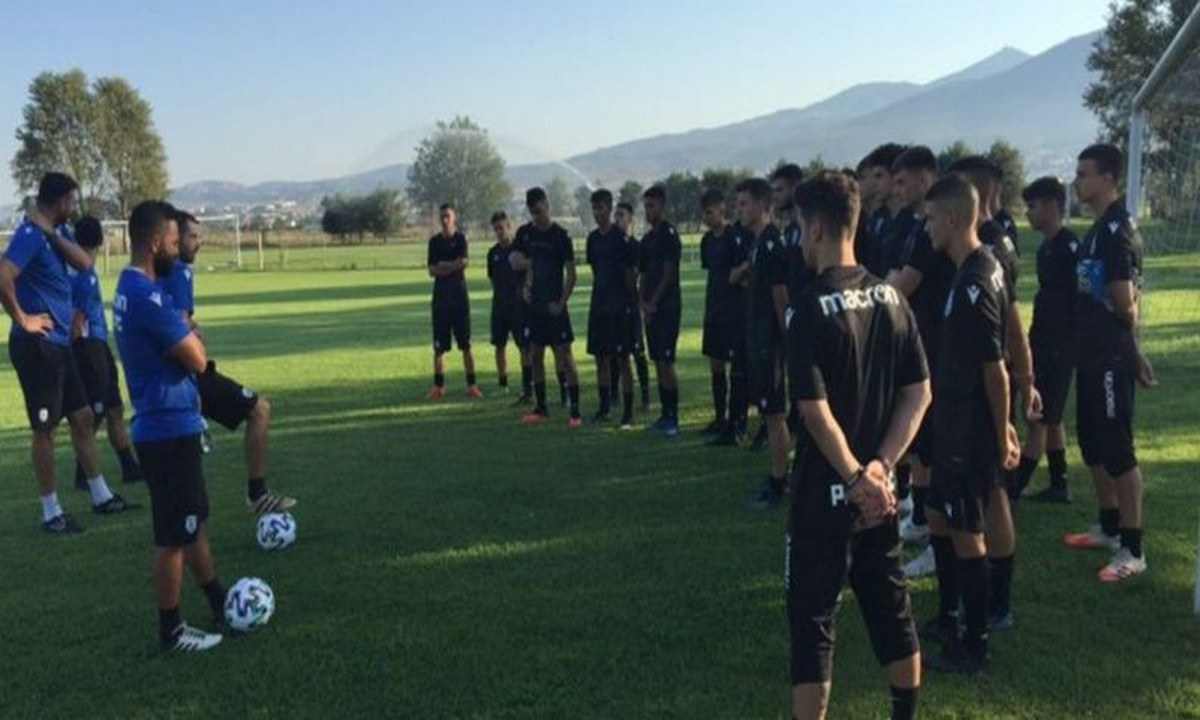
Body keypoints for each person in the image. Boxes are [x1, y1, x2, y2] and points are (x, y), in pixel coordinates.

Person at [787, 169, 930, 720]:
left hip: (827, 493)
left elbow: (813, 410)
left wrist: (852, 476)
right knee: (891, 608)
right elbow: (919, 392)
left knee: (813, 622)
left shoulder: (807, 306)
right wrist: (881, 467)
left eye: (801, 228)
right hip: (880, 495)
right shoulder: (893, 297)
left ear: (817, 228)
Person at [115, 199, 226, 652]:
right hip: (166, 429)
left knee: (190, 524)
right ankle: (172, 630)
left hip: (168, 424)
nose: (180, 250)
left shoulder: (131, 286)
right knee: (172, 536)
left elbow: (187, 344)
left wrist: (187, 339)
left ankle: (219, 601)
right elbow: (197, 358)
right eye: (175, 242)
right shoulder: (146, 297)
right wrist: (191, 340)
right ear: (156, 242)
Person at [921, 174, 1020, 673]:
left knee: (965, 529)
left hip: (969, 426)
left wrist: (1001, 432)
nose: (926, 228)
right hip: (953, 418)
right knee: (937, 515)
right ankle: (948, 615)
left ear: (954, 218)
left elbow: (994, 369)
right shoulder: (970, 270)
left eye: (931, 219)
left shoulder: (977, 280)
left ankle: (975, 644)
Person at [0, 172, 131, 533]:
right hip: (37, 345)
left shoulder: (55, 232)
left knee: (84, 417)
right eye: (72, 200)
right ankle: (50, 512)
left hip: (60, 345)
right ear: (59, 200)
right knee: (45, 429)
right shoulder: (29, 235)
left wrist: (53, 233)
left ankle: (100, 496)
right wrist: (23, 318)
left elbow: (84, 263)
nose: (75, 207)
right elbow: (3, 275)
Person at [1062, 143, 1156, 582]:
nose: (1077, 181)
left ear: (1108, 179)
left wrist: (1130, 350)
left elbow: (1125, 303)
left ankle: (1133, 548)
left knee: (1117, 449)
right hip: (1091, 354)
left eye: (1084, 174)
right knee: (1092, 442)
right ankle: (1109, 525)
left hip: (1109, 358)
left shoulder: (1118, 232)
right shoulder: (1098, 230)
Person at [165, 211, 295, 515]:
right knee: (259, 410)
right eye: (192, 236)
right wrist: (194, 337)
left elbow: (181, 322)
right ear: (175, 238)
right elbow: (180, 327)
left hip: (182, 374)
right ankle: (257, 495)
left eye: (200, 236)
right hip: (189, 374)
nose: (199, 242)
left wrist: (193, 328)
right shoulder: (179, 271)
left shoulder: (169, 271)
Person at [886, 146, 952, 578]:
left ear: (925, 179)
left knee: (935, 447)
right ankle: (925, 523)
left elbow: (901, 283)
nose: (897, 190)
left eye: (902, 181)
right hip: (921, 342)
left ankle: (936, 535)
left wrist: (890, 285)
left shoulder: (932, 232)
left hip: (938, 347)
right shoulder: (915, 226)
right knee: (924, 446)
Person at [1014, 177, 1079, 503]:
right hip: (1043, 340)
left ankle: (1015, 485)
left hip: (1058, 345)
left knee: (1038, 417)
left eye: (1033, 206)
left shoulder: (1070, 248)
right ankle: (1059, 482)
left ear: (1053, 206)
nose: (1028, 212)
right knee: (1052, 416)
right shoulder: (1045, 249)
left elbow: (1078, 299)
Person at [68, 216, 144, 488]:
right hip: (89, 347)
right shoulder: (84, 274)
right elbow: (77, 322)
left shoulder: (81, 269)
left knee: (114, 407)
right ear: (100, 240)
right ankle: (84, 473)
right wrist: (78, 350)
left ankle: (128, 466)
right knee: (95, 411)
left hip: (99, 344)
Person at [736, 178, 791, 510]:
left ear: (760, 205)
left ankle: (779, 481)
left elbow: (781, 299)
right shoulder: (756, 244)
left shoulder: (771, 244)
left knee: (774, 413)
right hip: (757, 338)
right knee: (769, 413)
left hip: (770, 343)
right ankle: (778, 475)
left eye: (743, 204)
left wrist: (787, 346)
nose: (738, 210)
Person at [511, 187, 582, 427]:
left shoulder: (561, 236)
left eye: (540, 211)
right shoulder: (529, 234)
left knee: (565, 357)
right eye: (533, 212)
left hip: (555, 307)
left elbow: (571, 274)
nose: (537, 216)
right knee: (535, 355)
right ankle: (541, 408)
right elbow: (527, 263)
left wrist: (561, 303)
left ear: (547, 205)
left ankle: (575, 411)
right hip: (536, 307)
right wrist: (527, 285)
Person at [584, 189, 637, 425]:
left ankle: (628, 411)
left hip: (619, 306)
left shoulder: (620, 238)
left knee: (623, 359)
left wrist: (631, 304)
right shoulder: (592, 240)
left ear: (609, 208)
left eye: (601, 208)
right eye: (594, 209)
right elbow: (596, 270)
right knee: (601, 358)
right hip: (599, 305)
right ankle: (604, 407)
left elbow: (629, 274)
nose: (597, 213)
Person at [638, 185, 682, 437]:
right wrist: (643, 302)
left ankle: (673, 417)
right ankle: (664, 413)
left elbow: (669, 274)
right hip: (651, 309)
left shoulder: (669, 235)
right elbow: (643, 274)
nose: (648, 210)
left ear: (662, 206)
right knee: (657, 360)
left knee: (666, 362)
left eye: (651, 206)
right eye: (645, 206)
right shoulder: (647, 240)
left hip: (667, 307)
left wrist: (654, 302)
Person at [426, 203, 482, 399]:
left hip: (459, 300)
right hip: (440, 301)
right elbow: (432, 270)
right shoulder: (434, 242)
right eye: (441, 216)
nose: (444, 220)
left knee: (466, 345)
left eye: (447, 216)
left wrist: (444, 266)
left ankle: (472, 385)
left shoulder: (460, 239)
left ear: (454, 217)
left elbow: (463, 263)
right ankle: (438, 386)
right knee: (438, 348)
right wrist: (452, 266)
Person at [698, 188, 742, 436]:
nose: (706, 217)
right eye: (704, 213)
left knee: (735, 365)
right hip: (713, 309)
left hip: (732, 311)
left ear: (722, 209)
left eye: (710, 212)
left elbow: (742, 269)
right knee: (715, 364)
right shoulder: (706, 241)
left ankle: (736, 418)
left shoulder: (733, 236)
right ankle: (719, 417)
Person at [486, 211, 531, 399]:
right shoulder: (492, 253)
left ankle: (527, 385)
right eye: (496, 229)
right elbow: (492, 279)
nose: (499, 232)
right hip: (499, 306)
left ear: (509, 226)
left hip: (518, 306)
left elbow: (528, 272)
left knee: (524, 346)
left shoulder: (518, 251)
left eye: (501, 228)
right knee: (499, 346)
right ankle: (503, 383)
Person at [614, 201, 652, 413]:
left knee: (638, 352)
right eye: (616, 215)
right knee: (617, 353)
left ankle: (645, 395)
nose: (617, 219)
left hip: (632, 304)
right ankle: (615, 395)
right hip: (614, 306)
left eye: (621, 215)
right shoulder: (612, 244)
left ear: (630, 219)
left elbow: (638, 276)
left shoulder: (636, 246)